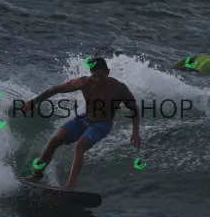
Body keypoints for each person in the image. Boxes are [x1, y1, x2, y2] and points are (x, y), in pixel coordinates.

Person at [21, 58, 141, 190]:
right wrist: (34, 101)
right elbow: (56, 89)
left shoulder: (119, 88)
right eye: (94, 76)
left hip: (103, 124)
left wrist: (135, 133)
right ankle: (36, 176)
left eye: (101, 75)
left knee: (79, 146)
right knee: (54, 141)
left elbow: (134, 109)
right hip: (84, 119)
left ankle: (70, 186)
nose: (97, 80)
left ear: (108, 72)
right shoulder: (84, 82)